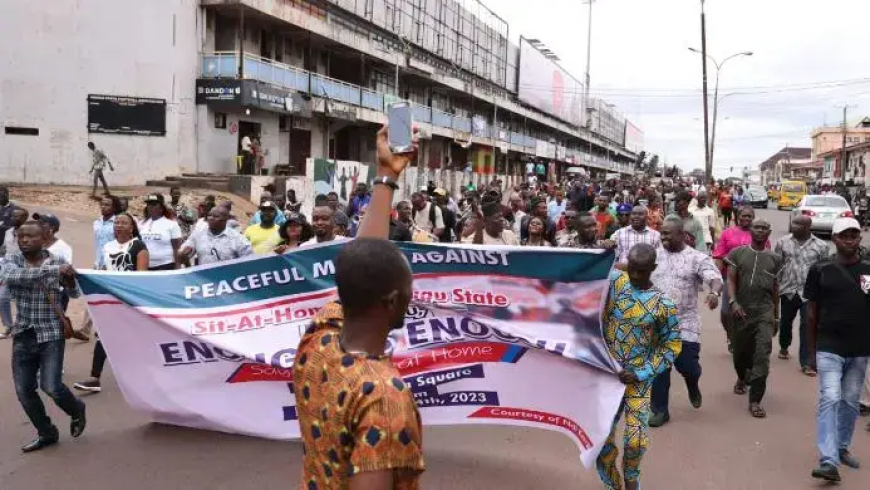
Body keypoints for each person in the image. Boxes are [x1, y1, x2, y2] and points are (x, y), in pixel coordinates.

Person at [295, 125, 424, 489]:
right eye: (408, 290)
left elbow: (364, 261)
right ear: (392, 301)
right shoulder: (383, 396)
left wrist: (387, 174)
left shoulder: (318, 341)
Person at [597, 244, 681, 490]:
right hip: (607, 376)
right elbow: (583, 271)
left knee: (635, 441)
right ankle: (612, 484)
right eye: (631, 269)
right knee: (602, 437)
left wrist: (641, 372)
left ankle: (631, 475)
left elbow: (672, 346)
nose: (634, 276)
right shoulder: (614, 282)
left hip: (638, 380)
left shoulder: (663, 304)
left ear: (653, 269)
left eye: (642, 271)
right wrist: (601, 253)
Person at [1, 221, 86, 452]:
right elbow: (13, 276)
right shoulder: (11, 261)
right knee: (24, 390)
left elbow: (74, 293)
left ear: (44, 238)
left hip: (51, 333)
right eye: (21, 237)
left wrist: (68, 279)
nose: (25, 240)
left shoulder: (58, 261)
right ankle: (46, 432)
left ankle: (76, 409)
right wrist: (54, 271)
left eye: (30, 237)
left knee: (51, 386)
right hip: (23, 332)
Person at [805, 218, 870, 482]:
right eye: (844, 236)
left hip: (859, 349)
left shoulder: (867, 272)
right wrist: (811, 351)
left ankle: (841, 447)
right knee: (830, 397)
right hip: (829, 346)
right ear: (835, 239)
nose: (850, 240)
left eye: (854, 235)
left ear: (859, 239)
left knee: (851, 401)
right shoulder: (821, 270)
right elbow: (811, 312)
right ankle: (828, 460)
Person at [649, 218, 723, 427]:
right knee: (659, 368)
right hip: (658, 322)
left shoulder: (696, 258)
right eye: (661, 233)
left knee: (687, 366)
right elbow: (632, 267)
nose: (663, 237)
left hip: (685, 323)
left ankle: (692, 382)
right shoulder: (653, 255)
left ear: (682, 234)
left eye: (668, 234)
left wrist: (714, 293)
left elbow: (715, 278)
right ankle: (659, 410)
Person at [73, 213, 149, 393]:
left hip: (129, 299)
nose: (119, 226)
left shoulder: (138, 246)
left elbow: (142, 275)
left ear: (132, 227)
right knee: (104, 337)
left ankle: (144, 376)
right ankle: (94, 378)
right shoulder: (108, 247)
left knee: (133, 339)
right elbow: (103, 270)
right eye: (117, 223)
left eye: (124, 223)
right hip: (110, 299)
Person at [726, 219, 781, 419]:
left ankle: (756, 400)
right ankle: (742, 377)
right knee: (740, 354)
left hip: (764, 312)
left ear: (769, 232)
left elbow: (776, 289)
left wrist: (776, 316)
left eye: (764, 228)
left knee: (762, 356)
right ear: (750, 230)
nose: (760, 231)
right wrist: (734, 302)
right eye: (756, 227)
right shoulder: (737, 254)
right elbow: (730, 279)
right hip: (741, 311)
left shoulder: (775, 259)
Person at [774, 216, 829, 376]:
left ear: (808, 227)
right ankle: (784, 346)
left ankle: (807, 362)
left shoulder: (821, 246)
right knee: (785, 322)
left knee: (808, 326)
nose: (794, 226)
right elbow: (779, 265)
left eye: (799, 224)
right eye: (794, 223)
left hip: (809, 293)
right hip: (788, 290)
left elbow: (823, 269)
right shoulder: (783, 242)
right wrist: (775, 285)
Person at [713, 206, 765, 351]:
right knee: (726, 312)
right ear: (737, 216)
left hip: (751, 279)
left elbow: (765, 256)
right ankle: (731, 335)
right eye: (744, 216)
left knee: (749, 311)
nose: (747, 219)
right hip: (729, 278)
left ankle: (744, 340)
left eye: (750, 216)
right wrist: (716, 277)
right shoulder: (727, 234)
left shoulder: (760, 234)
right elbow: (718, 256)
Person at [178, 206, 253, 266]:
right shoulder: (198, 234)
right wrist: (183, 254)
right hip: (205, 282)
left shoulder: (238, 239)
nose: (211, 218)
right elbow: (182, 256)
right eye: (209, 215)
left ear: (225, 219)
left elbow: (249, 263)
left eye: (215, 216)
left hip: (228, 281)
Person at [0, 207, 29, 339]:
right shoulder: (8, 232)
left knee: (22, 299)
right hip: (8, 269)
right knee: (3, 297)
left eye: (17, 216)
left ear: (24, 218)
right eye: (12, 216)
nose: (13, 218)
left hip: (24, 269)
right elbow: (4, 250)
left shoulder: (29, 233)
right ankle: (9, 326)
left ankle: (21, 326)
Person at [139, 194, 182, 270]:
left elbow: (177, 249)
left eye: (154, 204)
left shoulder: (171, 224)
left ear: (161, 208)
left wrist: (177, 267)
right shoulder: (141, 224)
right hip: (145, 267)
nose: (150, 207)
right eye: (148, 204)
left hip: (166, 266)